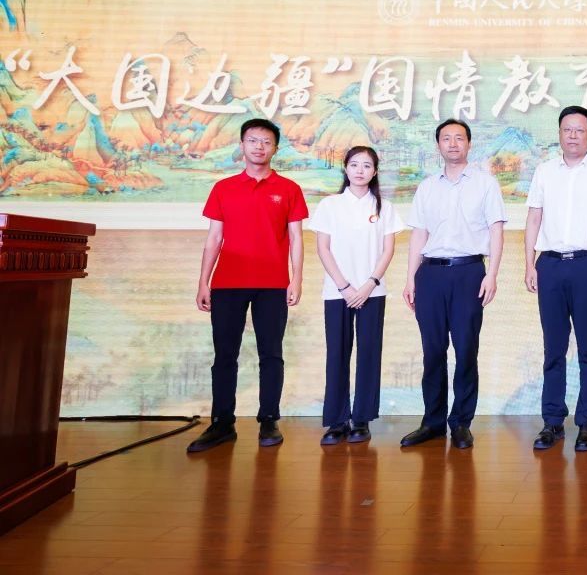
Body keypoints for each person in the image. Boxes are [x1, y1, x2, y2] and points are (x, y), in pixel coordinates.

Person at [187, 118, 307, 453]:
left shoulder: (289, 189)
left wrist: (296, 278)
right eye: (253, 140)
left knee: (271, 354)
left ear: (275, 148)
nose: (259, 147)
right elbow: (214, 238)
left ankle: (268, 420)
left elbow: (296, 239)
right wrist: (203, 282)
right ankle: (221, 423)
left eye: (266, 142)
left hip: (272, 284)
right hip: (228, 282)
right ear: (242, 145)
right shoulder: (223, 188)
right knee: (225, 354)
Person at [400, 119, 506, 450]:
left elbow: (496, 230)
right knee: (432, 351)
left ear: (469, 144)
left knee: (465, 349)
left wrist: (492, 274)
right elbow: (419, 234)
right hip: (430, 274)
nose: (453, 143)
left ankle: (461, 422)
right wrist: (410, 278)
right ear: (438, 145)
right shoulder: (427, 187)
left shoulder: (485, 184)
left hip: (469, 272)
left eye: (459, 138)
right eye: (446, 138)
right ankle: (432, 422)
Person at [525, 105, 587, 453]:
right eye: (567, 130)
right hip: (550, 265)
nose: (573, 136)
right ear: (559, 133)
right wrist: (529, 263)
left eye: (580, 130)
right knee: (553, 348)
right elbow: (533, 219)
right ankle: (552, 421)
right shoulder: (544, 172)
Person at [310, 146, 405, 445]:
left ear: (375, 171)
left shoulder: (384, 207)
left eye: (366, 165)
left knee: (369, 353)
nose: (360, 170)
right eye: (354, 164)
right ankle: (337, 420)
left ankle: (361, 419)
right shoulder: (330, 205)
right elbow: (323, 248)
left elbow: (388, 250)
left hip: (372, 292)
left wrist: (369, 285)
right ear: (345, 168)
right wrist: (344, 287)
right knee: (337, 354)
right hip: (337, 292)